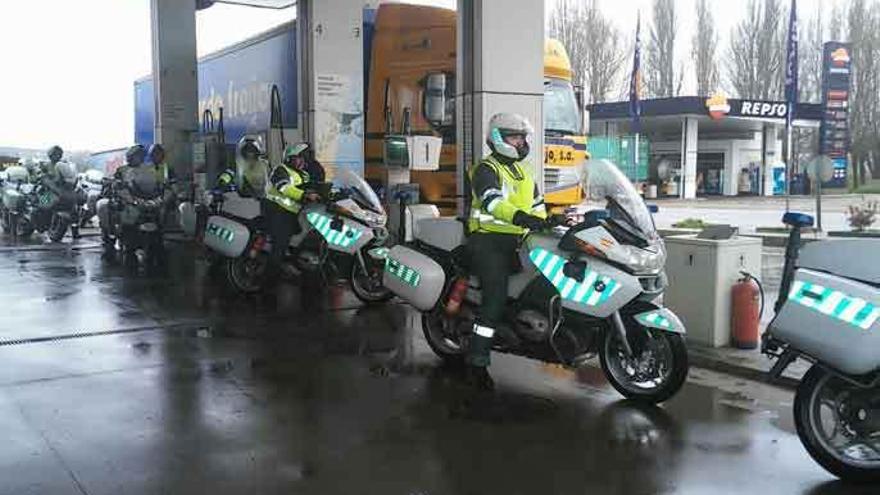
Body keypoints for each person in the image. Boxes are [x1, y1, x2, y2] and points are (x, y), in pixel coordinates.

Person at [466, 113, 547, 391]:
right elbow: (492, 202)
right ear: (499, 138)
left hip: (517, 242)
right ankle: (477, 361)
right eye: (515, 137)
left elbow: (537, 206)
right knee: (495, 298)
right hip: (487, 241)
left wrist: (547, 222)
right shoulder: (486, 169)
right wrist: (523, 218)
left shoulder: (525, 173)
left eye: (523, 137)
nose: (521, 142)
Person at [263, 142, 321, 295]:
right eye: (299, 158)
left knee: (306, 240)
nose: (302, 162)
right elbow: (284, 187)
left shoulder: (304, 175)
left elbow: (313, 187)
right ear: (290, 159)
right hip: (277, 212)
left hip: (295, 214)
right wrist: (304, 195)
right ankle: (268, 285)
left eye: (303, 159)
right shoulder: (281, 170)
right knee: (280, 246)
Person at [147, 144, 177, 224]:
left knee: (162, 206)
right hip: (148, 194)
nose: (156, 156)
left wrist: (170, 187)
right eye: (153, 154)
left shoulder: (167, 169)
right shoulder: (146, 169)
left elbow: (174, 185)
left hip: (162, 194)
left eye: (158, 154)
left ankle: (161, 226)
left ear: (162, 155)